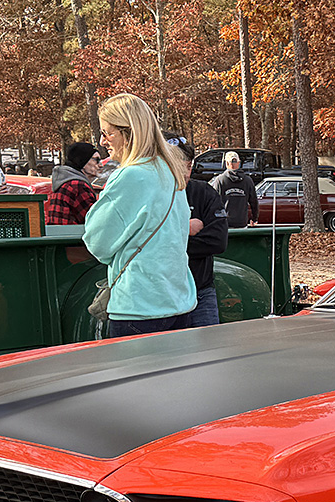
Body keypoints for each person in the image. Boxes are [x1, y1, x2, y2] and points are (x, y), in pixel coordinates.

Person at [83, 92, 194, 338]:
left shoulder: (130, 176)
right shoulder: (170, 172)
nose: (103, 141)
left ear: (128, 133)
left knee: (134, 377)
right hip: (178, 300)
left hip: (139, 305)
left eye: (107, 133)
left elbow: (97, 242)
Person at [169, 134, 228, 327]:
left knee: (208, 352)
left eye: (188, 166)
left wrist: (170, 242)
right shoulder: (149, 196)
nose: (185, 173)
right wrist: (185, 229)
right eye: (179, 166)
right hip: (161, 297)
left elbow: (217, 241)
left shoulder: (204, 192)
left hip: (201, 291)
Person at [45, 142, 101, 225]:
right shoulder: (77, 186)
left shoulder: (67, 182)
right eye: (97, 160)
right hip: (71, 236)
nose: (101, 165)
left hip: (60, 236)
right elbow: (96, 220)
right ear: (83, 161)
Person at [210, 151, 259, 228]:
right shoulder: (248, 181)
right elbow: (254, 202)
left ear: (226, 163)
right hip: (242, 223)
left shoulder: (220, 180)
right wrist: (254, 218)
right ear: (239, 163)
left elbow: (214, 202)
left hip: (225, 224)